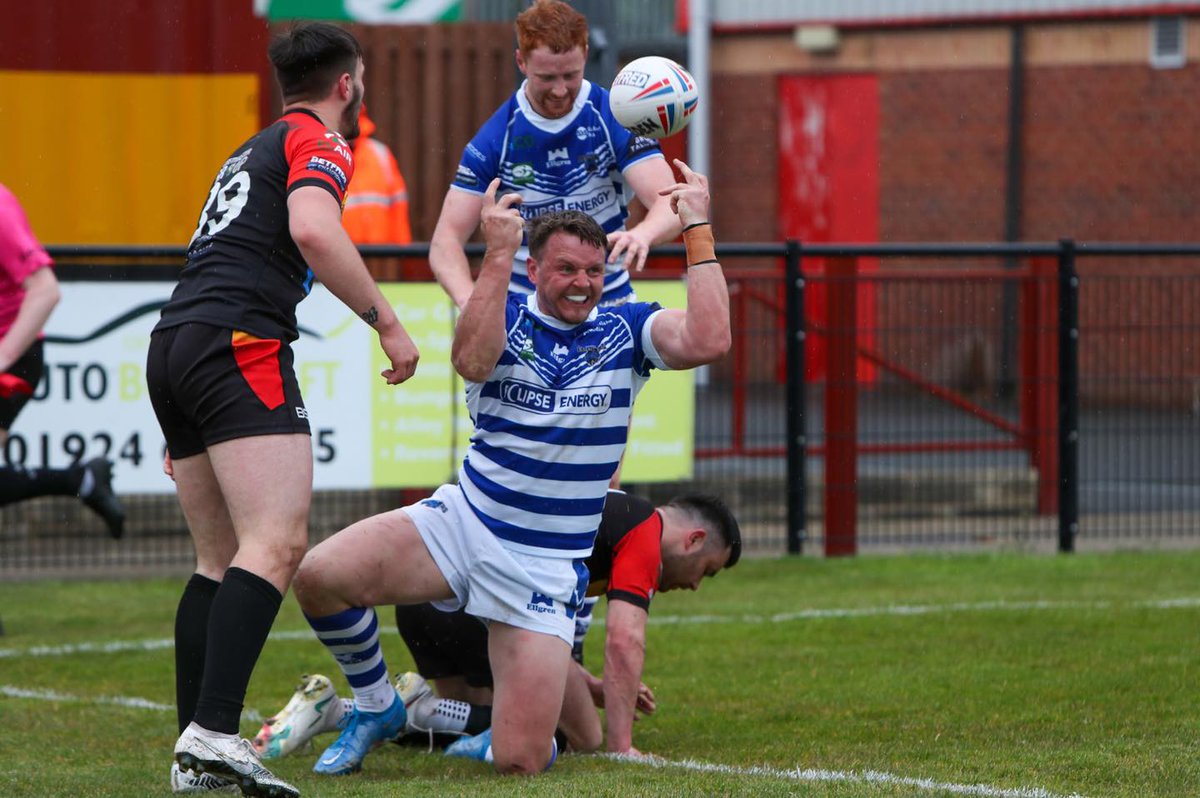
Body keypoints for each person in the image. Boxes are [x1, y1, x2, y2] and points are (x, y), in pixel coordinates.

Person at [290, 157, 728, 778]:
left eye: (593, 271)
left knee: (521, 762)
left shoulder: (627, 327)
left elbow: (710, 341)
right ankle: (378, 704)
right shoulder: (504, 315)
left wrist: (697, 230)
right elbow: (471, 359)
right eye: (567, 269)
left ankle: (497, 733)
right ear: (534, 268)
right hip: (465, 524)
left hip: (544, 569)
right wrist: (495, 254)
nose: (582, 283)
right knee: (317, 575)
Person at [146, 22, 419, 797]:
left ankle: (192, 751)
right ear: (347, 83)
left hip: (177, 341)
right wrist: (388, 322)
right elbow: (311, 226)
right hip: (238, 341)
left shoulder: (250, 148)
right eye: (360, 79)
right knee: (276, 543)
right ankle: (214, 734)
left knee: (217, 558)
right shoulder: (322, 142)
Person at [252, 491, 741, 760]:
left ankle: (336, 711)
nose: (697, 586)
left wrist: (596, 687)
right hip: (483, 605)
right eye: (708, 572)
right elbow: (624, 640)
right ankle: (389, 707)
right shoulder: (643, 533)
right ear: (694, 539)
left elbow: (564, 655)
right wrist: (622, 746)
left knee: (468, 719)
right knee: (577, 740)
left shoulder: (597, 512)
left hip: (430, 605)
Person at [428, 0, 681, 310]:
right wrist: (472, 303)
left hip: (607, 302)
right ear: (521, 62)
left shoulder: (613, 116)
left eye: (570, 76)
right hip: (525, 310)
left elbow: (670, 205)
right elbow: (445, 242)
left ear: (586, 53)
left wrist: (643, 234)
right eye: (547, 78)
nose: (560, 91)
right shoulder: (497, 136)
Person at [0, 183, 124, 538]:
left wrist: (4, 357)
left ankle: (80, 478)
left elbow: (46, 290)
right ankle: (81, 478)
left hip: (13, 357)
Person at [341, 103, 412, 247]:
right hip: (337, 257)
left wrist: (403, 252)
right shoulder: (320, 155)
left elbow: (398, 206)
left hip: (381, 257)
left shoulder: (380, 154)